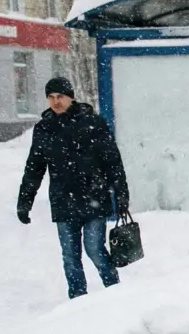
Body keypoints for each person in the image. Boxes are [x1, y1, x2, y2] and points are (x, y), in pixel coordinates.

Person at [17, 77, 129, 299]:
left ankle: (116, 292)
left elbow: (112, 162)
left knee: (94, 249)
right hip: (63, 202)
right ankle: (78, 300)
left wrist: (121, 195)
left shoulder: (93, 124)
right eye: (51, 97)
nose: (56, 101)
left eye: (60, 97)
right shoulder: (44, 129)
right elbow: (34, 168)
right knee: (70, 256)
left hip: (93, 199)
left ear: (71, 98)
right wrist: (24, 202)